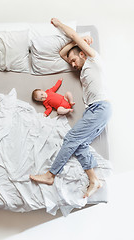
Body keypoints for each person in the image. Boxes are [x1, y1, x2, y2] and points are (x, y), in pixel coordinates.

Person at [30, 18, 112, 198]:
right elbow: (62, 53)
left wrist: (60, 26)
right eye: (71, 63)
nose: (72, 65)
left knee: (71, 138)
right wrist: (74, 44)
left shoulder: (93, 59)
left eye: (74, 60)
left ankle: (51, 174)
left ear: (83, 54)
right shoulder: (83, 67)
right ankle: (94, 180)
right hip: (95, 110)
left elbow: (74, 35)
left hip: (100, 107)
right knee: (80, 143)